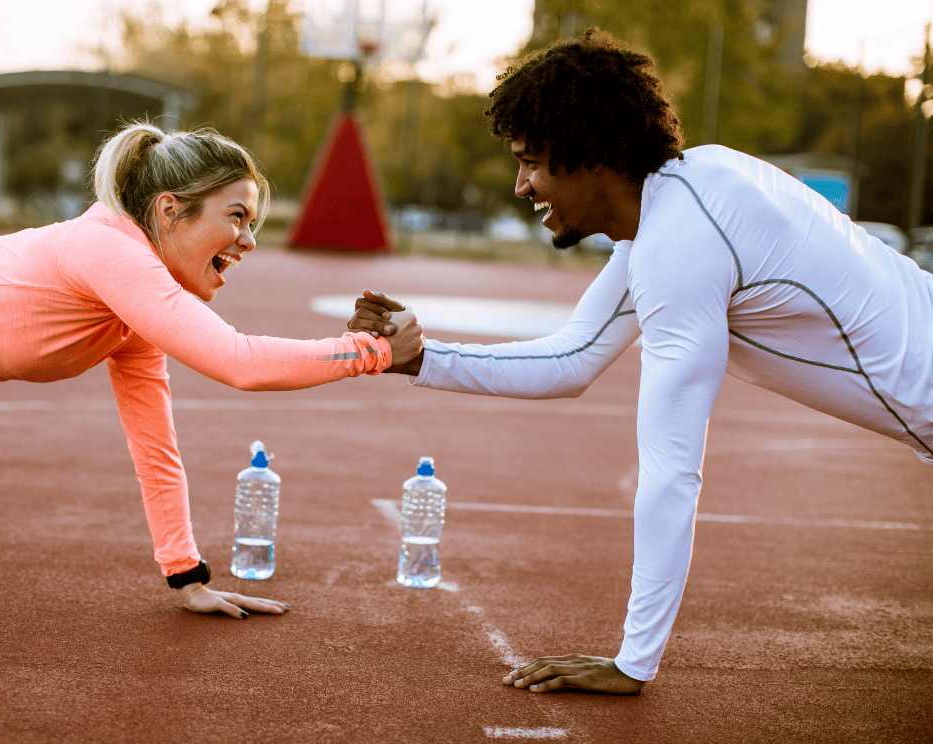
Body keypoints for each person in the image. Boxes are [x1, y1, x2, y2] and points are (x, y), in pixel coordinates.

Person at [349, 29, 933, 695]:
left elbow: (671, 470)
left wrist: (633, 661)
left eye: (532, 162)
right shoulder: (688, 195)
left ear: (591, 154)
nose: (521, 186)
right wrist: (420, 359)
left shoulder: (679, 241)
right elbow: (572, 358)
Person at [0, 121, 424, 620]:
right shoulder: (107, 249)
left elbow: (155, 447)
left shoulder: (130, 306)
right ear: (169, 210)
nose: (248, 240)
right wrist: (372, 353)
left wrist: (186, 576)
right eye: (237, 217)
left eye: (253, 223)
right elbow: (238, 361)